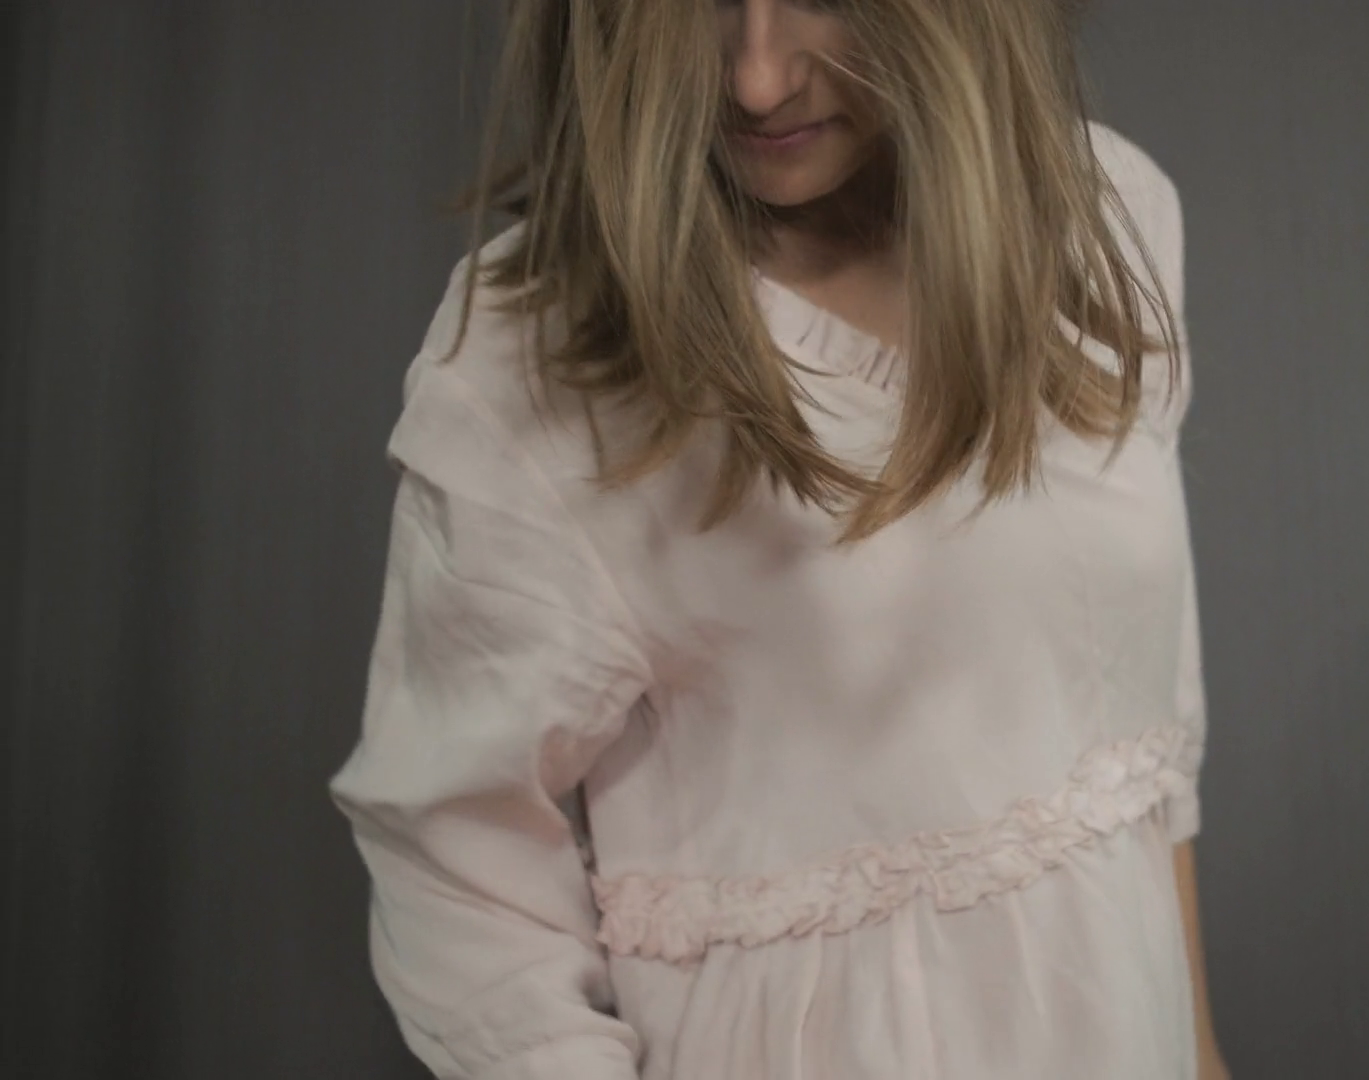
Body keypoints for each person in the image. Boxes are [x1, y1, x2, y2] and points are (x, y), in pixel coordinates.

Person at [327, 0, 1225, 1076]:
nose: (756, 79)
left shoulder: (1103, 217)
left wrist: (1198, 1055)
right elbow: (459, 873)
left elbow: (1145, 744)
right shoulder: (547, 354)